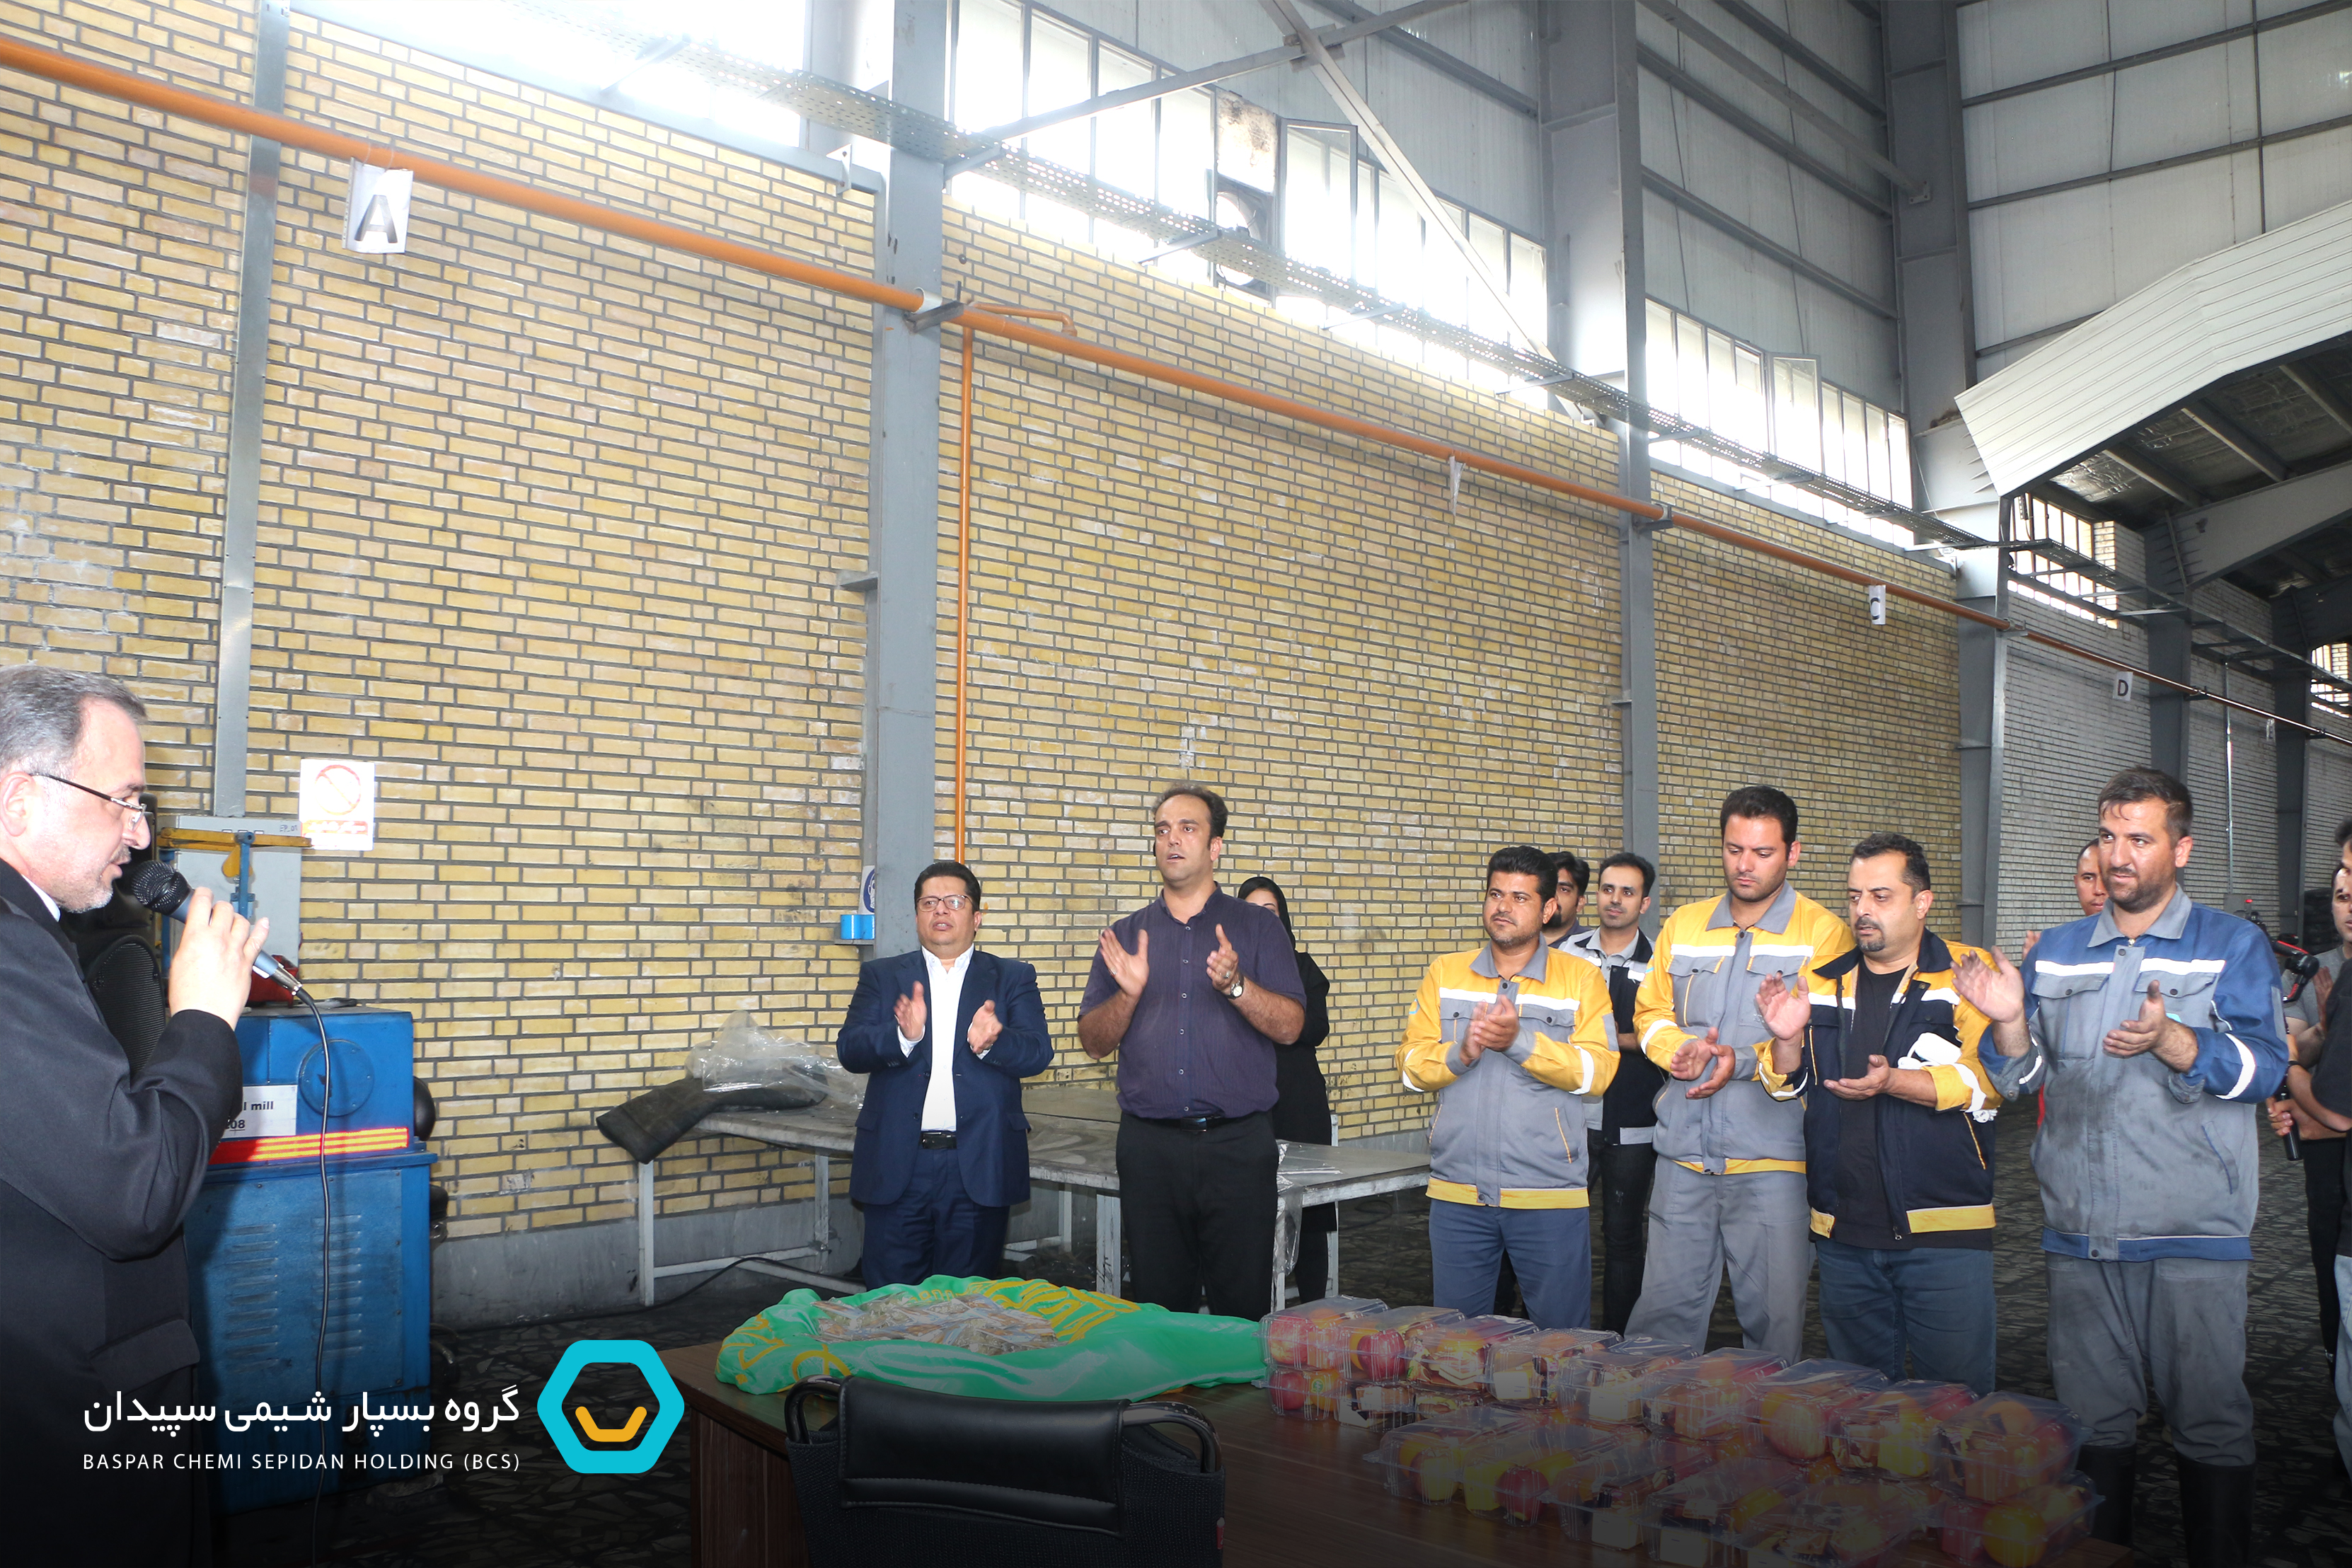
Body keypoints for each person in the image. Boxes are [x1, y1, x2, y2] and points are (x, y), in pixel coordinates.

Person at [1956, 768, 2286, 1564]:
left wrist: (2177, 1041)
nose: (2118, 855)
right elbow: (2022, 1078)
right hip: (2080, 1235)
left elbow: (2265, 1068)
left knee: (2208, 1421)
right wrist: (2008, 1022)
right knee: (2092, 1424)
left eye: (2140, 838)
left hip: (2192, 1231)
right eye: (2109, 837)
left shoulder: (2231, 944)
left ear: (2182, 847)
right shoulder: (2059, 952)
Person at [0, 666, 267, 1568]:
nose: (141, 832)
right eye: (122, 799)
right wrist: (203, 1018)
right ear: (19, 797)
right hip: (61, 1420)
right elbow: (135, 1191)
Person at [1758, 834, 2006, 1392]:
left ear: (1922, 902)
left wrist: (1894, 1082)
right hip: (1843, 1233)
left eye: (1880, 896)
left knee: (1959, 1405)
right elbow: (1786, 1084)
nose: (1862, 910)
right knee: (1858, 1406)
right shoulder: (1822, 980)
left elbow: (1992, 1084)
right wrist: (1787, 1041)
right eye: (1854, 897)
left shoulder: (1966, 975)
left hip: (1943, 1231)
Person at [1627, 785, 1854, 1364]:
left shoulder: (1824, 934)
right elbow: (1649, 1015)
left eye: (1762, 852)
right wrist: (1681, 1049)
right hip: (1682, 1158)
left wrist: (1740, 1060)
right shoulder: (1684, 925)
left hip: (1774, 1162)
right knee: (1659, 1326)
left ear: (1792, 853)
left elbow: (1821, 1040)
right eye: (1734, 850)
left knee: (1773, 1333)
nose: (1745, 865)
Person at [1079, 785, 1305, 1318]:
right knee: (1158, 1310)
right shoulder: (1126, 935)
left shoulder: (1258, 928)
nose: (1172, 840)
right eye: (1162, 830)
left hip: (1237, 1147)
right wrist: (1128, 995)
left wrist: (1237, 987)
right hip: (1150, 1150)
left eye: (1187, 828)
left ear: (1215, 846)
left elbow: (1292, 1027)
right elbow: (1093, 1042)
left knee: (1240, 1308)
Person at [1397, 846, 1616, 1328]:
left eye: (1520, 897)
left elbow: (1598, 1073)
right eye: (1496, 894)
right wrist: (1461, 1054)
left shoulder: (1581, 979)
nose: (1503, 906)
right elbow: (1411, 1069)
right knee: (1454, 1345)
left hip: (1548, 1196)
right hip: (1458, 1195)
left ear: (1548, 908)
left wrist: (1519, 1042)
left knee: (1561, 1345)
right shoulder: (1445, 973)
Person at [836, 860, 1053, 1286]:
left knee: (967, 1305)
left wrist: (995, 1042)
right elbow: (851, 1050)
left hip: (978, 1164)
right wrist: (902, 1038)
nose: (940, 910)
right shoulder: (883, 975)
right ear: (917, 915)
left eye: (954, 901)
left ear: (976, 917)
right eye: (929, 902)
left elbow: (1038, 1054)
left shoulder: (1012, 977)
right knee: (891, 1303)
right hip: (898, 1163)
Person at [1559, 851, 1663, 1332]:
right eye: (1607, 889)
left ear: (1644, 902)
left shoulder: (1660, 962)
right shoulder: (1564, 953)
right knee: (1555, 1231)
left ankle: (1620, 1346)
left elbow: (1666, 1034)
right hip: (1567, 1120)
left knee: (1622, 1237)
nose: (1615, 900)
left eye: (1627, 892)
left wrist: (1610, 1040)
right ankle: (1553, 1338)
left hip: (1633, 1121)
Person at [1238, 875, 1337, 1304]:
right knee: (1246, 1214)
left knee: (1309, 1212)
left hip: (1298, 1103)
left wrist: (1274, 1014)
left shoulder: (1302, 967)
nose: (1263, 920)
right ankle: (1251, 1311)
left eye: (1271, 911)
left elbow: (1314, 1028)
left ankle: (1315, 1310)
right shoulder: (1225, 971)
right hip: (1244, 1106)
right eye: (1252, 911)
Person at [2278, 859, 2352, 1368]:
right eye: (2343, 897)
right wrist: (2325, 1029)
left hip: (2328, 1124)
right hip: (2326, 1155)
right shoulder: (2311, 971)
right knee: (2331, 1258)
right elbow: (2292, 1052)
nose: (2350, 908)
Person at [2024, 838, 2105, 962]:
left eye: (2107, 878)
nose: (2098, 890)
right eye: (2088, 878)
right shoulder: (2052, 946)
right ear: (2076, 882)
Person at [1543, 851, 1590, 945]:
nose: (1553, 896)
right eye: (1548, 887)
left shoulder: (1591, 945)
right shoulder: (1515, 940)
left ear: (1580, 903)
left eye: (1564, 890)